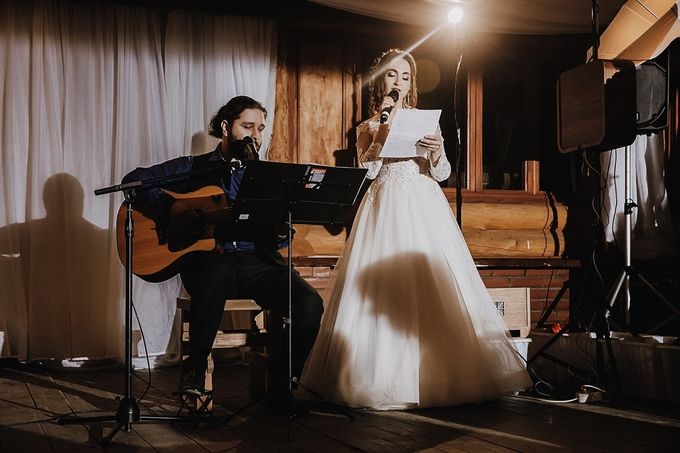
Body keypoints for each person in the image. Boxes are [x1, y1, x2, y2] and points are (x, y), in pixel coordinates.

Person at [301, 49, 531, 409]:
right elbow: (369, 172)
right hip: (385, 208)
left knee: (432, 284)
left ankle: (441, 376)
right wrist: (382, 131)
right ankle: (387, 380)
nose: (399, 82)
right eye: (393, 75)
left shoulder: (425, 121)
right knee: (385, 290)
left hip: (424, 205)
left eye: (406, 77)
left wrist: (436, 152)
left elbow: (442, 172)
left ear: (412, 84)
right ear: (380, 81)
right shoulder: (366, 127)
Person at [122, 96, 324, 414]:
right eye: (248, 126)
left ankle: (282, 390)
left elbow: (280, 239)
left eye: (261, 128)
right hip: (209, 265)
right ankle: (195, 371)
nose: (256, 135)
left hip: (258, 264)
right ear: (227, 127)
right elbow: (133, 180)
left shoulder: (267, 177)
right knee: (217, 269)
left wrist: (281, 230)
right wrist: (172, 208)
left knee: (309, 302)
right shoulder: (193, 167)